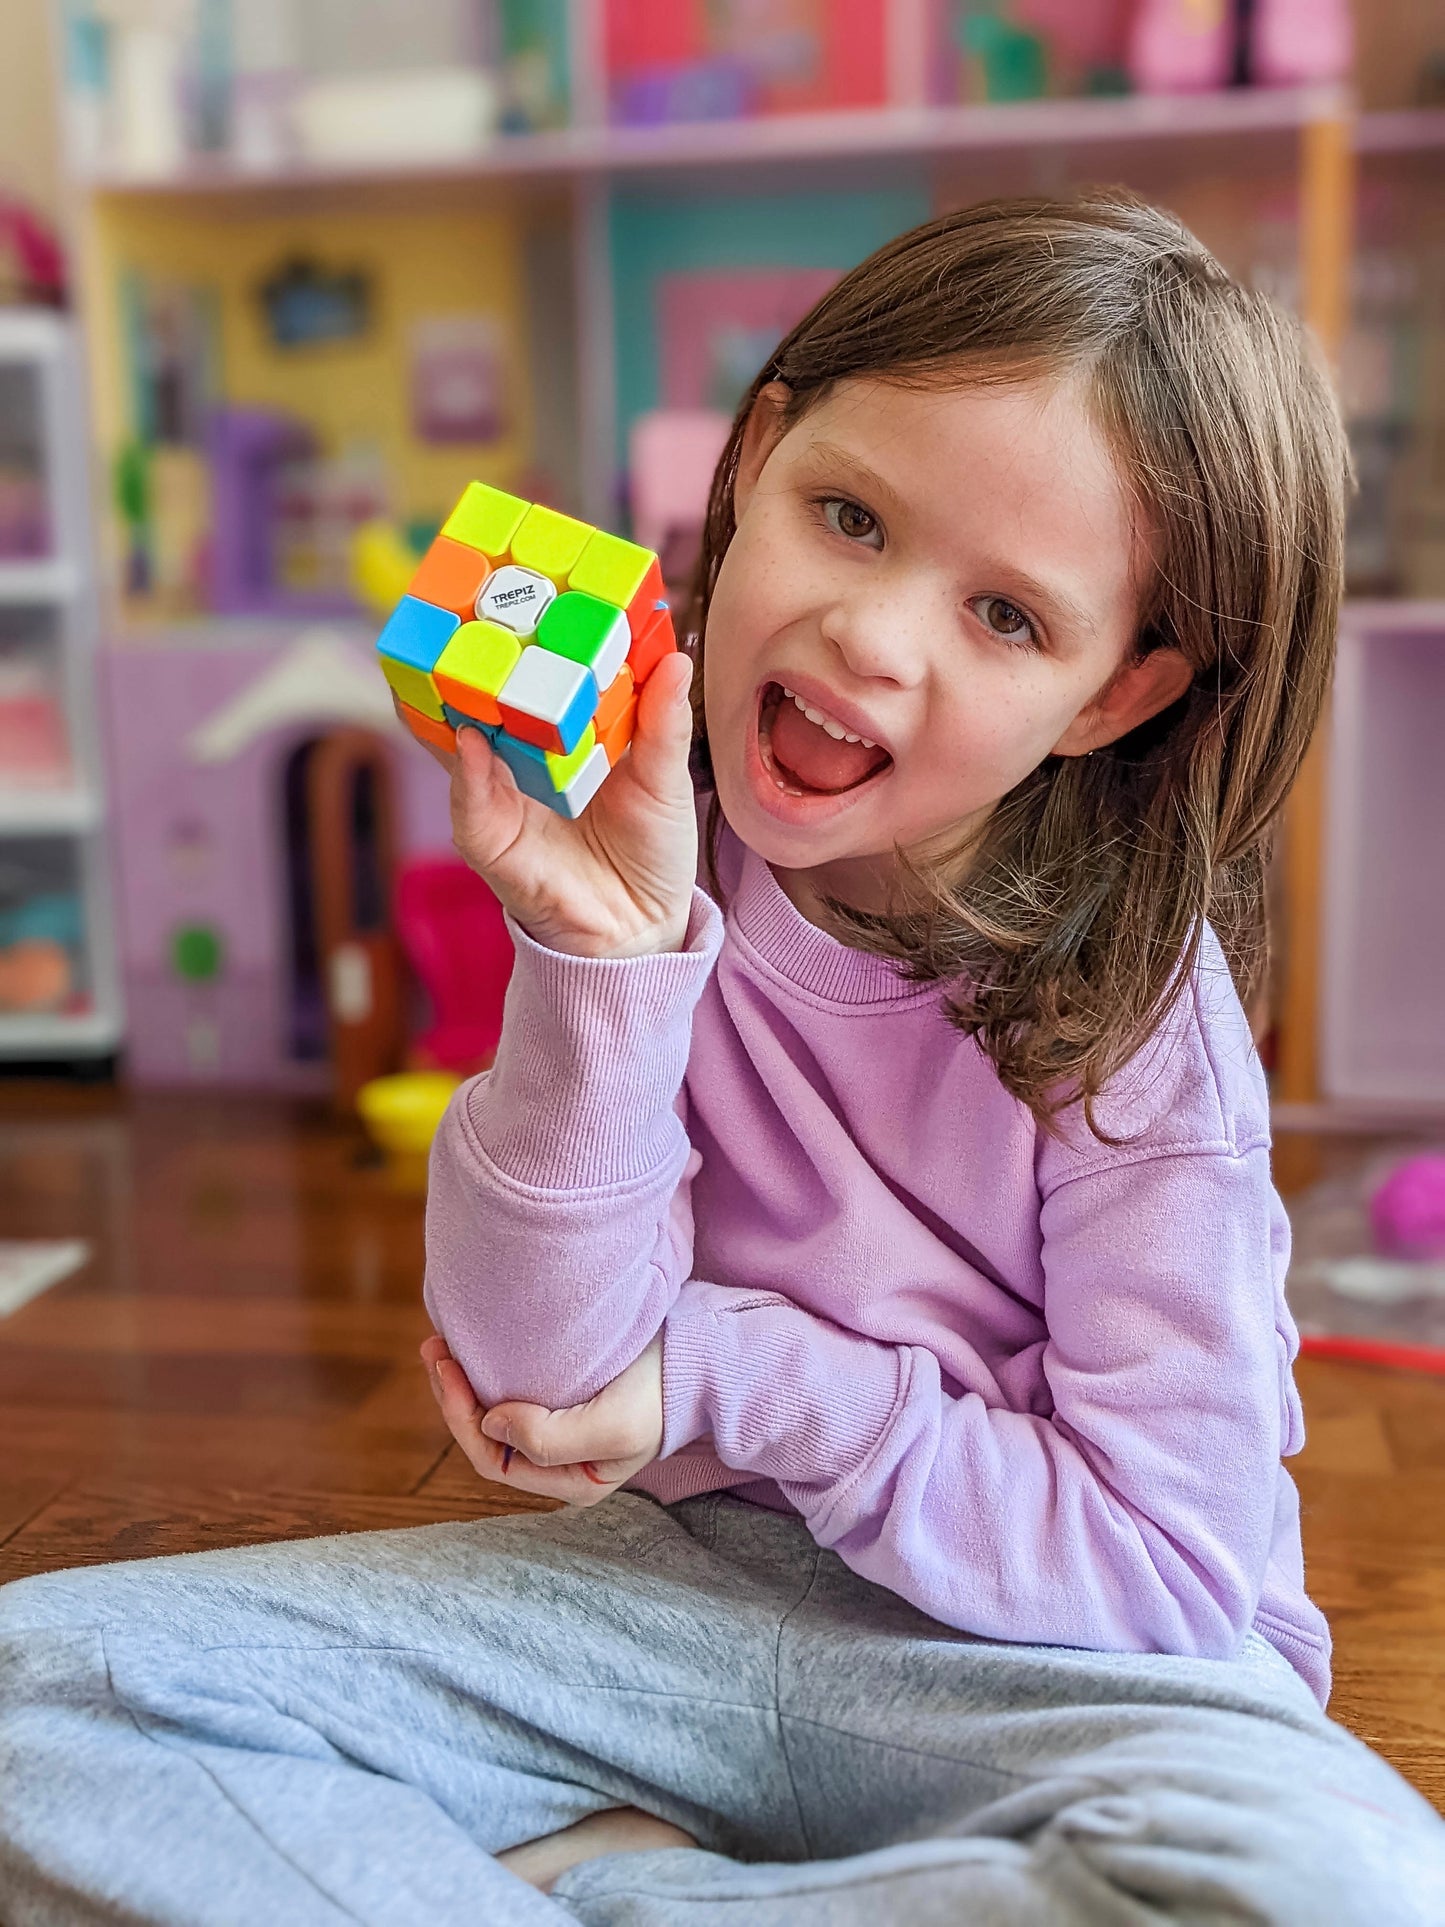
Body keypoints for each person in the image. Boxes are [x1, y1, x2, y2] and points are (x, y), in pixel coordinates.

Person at [2, 191, 1443, 1925]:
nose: (874, 636)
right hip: (660, 1598)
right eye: (849, 517)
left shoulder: (1140, 1017)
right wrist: (600, 959)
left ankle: (621, 1893)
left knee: (1345, 1890)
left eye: (1007, 618)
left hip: (1061, 1670)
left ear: (1114, 696)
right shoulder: (641, 830)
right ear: (754, 460)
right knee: (40, 1697)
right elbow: (539, 1380)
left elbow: (1158, 1569)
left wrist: (736, 1377)